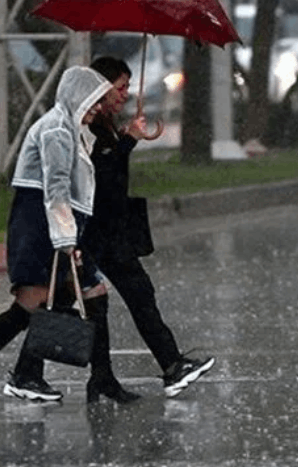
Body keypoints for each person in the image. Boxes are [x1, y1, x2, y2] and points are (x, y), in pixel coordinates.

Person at [0, 65, 115, 406]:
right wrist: (67, 241)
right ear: (77, 97)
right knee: (33, 302)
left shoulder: (72, 129)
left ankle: (33, 374)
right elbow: (55, 189)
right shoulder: (57, 131)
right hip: (41, 224)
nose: (98, 107)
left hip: (54, 224)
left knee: (76, 296)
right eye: (94, 100)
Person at [84, 54, 214, 397]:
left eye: (128, 87)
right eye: (121, 87)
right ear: (100, 88)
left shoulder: (104, 124)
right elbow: (101, 178)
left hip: (109, 230)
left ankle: (111, 376)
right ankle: (168, 365)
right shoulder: (90, 126)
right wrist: (127, 142)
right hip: (98, 231)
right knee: (57, 304)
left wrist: (126, 137)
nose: (125, 94)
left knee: (118, 300)